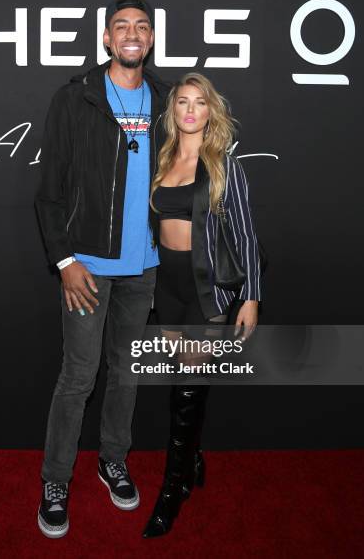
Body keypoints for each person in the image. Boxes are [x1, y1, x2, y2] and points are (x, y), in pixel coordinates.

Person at [34, 0, 170, 538]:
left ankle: (113, 459)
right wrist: (64, 259)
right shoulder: (76, 100)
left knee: (128, 372)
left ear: (151, 39)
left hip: (146, 267)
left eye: (141, 26)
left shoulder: (166, 101)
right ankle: (55, 479)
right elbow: (49, 193)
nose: (132, 34)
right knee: (78, 377)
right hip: (87, 266)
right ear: (108, 40)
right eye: (122, 26)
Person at [142, 72, 262, 538]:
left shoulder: (225, 167)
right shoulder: (164, 157)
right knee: (183, 381)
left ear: (211, 111)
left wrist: (251, 296)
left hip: (206, 291)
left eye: (199, 102)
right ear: (173, 112)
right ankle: (192, 457)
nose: (190, 110)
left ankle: (172, 491)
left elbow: (248, 234)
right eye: (182, 103)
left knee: (187, 390)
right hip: (166, 289)